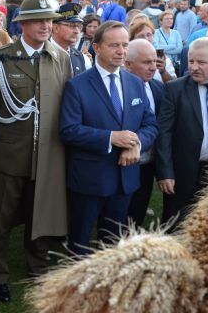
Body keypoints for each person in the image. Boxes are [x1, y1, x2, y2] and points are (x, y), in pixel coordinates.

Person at [0, 0, 71, 303]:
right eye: (39, 20)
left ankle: (37, 269)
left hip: (47, 156)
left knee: (40, 216)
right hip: (8, 156)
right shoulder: (0, 58)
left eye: (49, 20)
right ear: (23, 24)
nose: (46, 25)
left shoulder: (61, 58)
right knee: (0, 221)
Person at [60, 21, 158, 255]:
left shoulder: (135, 82)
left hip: (125, 179)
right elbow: (68, 130)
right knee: (80, 243)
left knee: (113, 243)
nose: (121, 51)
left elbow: (151, 125)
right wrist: (112, 138)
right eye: (114, 45)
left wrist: (136, 144)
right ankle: (77, 288)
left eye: (124, 45)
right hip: (90, 179)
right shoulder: (77, 86)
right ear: (96, 48)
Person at [156, 37, 208, 231]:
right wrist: (165, 172)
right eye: (191, 61)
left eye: (201, 62)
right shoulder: (175, 89)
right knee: (177, 224)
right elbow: (163, 133)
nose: (194, 67)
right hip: (184, 172)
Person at [123, 39, 165, 227]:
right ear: (128, 64)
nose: (153, 67)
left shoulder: (158, 87)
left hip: (148, 164)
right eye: (146, 62)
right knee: (116, 217)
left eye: (155, 62)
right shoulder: (117, 89)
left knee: (137, 211)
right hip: (122, 163)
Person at [51, 2, 90, 76]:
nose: (77, 31)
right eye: (72, 26)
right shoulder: (41, 54)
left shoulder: (83, 59)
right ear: (55, 28)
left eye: (79, 26)